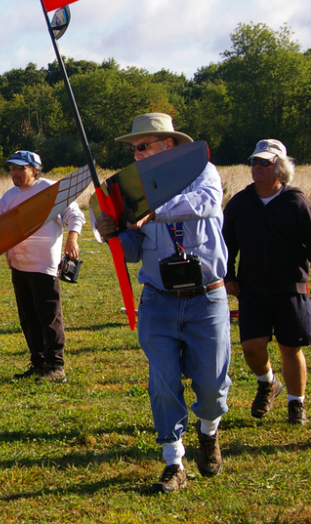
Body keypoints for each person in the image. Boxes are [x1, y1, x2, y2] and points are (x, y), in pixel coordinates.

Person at [94, 113, 230, 494]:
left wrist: (153, 210)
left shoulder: (204, 172)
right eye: (134, 149)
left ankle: (209, 430)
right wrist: (113, 231)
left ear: (168, 147)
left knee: (213, 386)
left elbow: (204, 204)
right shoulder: (132, 191)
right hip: (158, 299)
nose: (136, 155)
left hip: (207, 298)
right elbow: (133, 252)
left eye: (143, 147)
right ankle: (174, 461)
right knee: (163, 384)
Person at [223, 139, 311, 426]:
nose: (257, 167)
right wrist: (228, 276)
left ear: (280, 169)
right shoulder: (240, 203)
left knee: (290, 348)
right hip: (252, 289)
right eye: (254, 162)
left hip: (290, 288)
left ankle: (297, 405)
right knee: (251, 347)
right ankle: (268, 382)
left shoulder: (297, 202)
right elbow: (225, 244)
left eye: (264, 163)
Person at [0, 150, 83, 381]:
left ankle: (56, 367)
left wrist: (72, 238)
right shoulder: (8, 198)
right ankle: (38, 363)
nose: (15, 173)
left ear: (34, 170)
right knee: (28, 317)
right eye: (12, 168)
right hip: (19, 265)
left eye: (20, 168)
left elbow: (74, 214)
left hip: (44, 265)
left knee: (48, 316)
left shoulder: (49, 189)